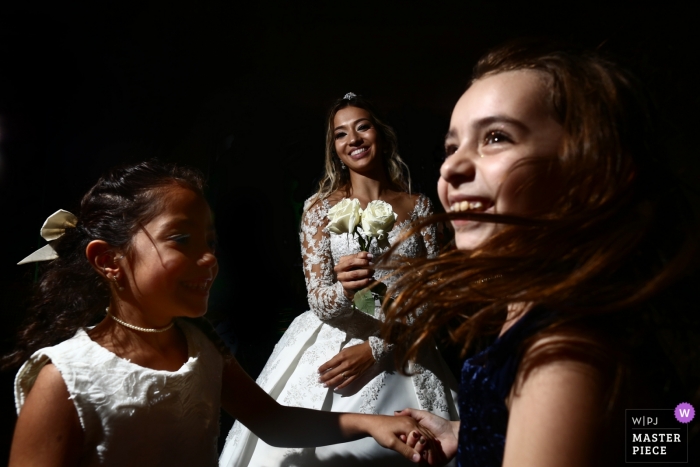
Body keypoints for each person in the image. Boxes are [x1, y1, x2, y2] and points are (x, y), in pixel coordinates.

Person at [381, 41, 699, 467]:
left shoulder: (563, 357)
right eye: (452, 146)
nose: (450, 169)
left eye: (495, 138)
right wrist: (471, 431)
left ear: (587, 172)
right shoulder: (559, 316)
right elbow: (651, 437)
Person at [5, 160, 435, 467]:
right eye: (182, 239)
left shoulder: (200, 345)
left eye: (209, 241)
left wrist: (372, 424)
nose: (209, 258)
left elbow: (276, 423)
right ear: (108, 261)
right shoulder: (63, 379)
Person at [220, 93, 459, 466]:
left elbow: (431, 300)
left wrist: (377, 348)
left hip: (407, 347)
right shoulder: (320, 209)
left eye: (362, 127)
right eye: (341, 134)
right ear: (335, 148)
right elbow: (319, 299)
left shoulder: (419, 207)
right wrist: (348, 290)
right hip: (334, 340)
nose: (354, 139)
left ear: (381, 135)